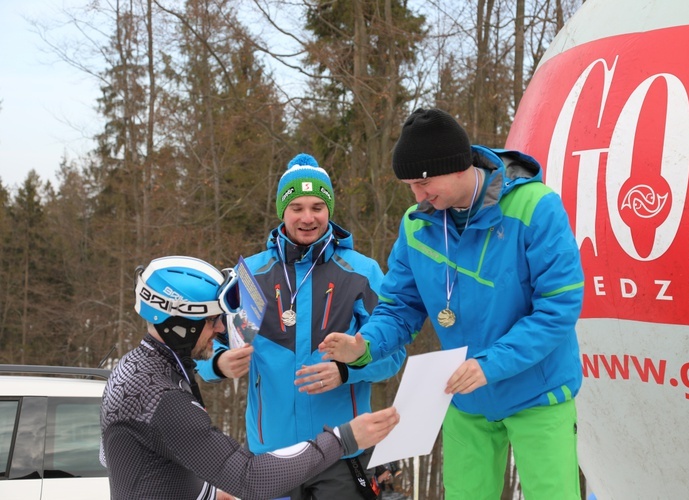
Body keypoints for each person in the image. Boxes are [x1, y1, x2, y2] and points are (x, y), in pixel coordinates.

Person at [319, 108, 585, 499]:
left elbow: (558, 308)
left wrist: (491, 363)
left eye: (424, 183)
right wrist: (365, 346)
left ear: (458, 166)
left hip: (537, 393)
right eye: (409, 185)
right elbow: (399, 307)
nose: (417, 196)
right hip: (465, 397)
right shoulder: (418, 224)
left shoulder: (536, 208)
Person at [100, 255, 399, 500]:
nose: (220, 329)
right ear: (180, 325)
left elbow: (137, 464)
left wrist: (208, 493)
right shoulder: (164, 399)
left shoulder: (135, 370)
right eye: (211, 320)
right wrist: (344, 438)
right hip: (284, 455)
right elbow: (249, 479)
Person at [196, 153, 406, 500]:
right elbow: (207, 344)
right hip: (271, 453)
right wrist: (218, 363)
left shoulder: (361, 273)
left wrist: (346, 369)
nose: (308, 217)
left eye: (317, 207)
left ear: (329, 211)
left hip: (343, 449)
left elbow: (393, 353)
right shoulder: (252, 275)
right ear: (282, 211)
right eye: (297, 207)